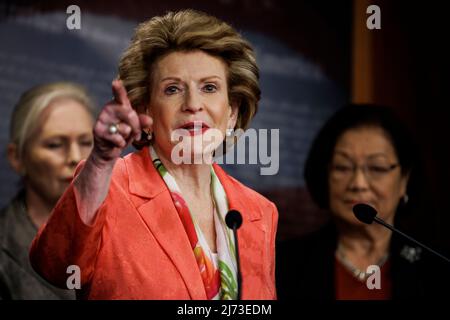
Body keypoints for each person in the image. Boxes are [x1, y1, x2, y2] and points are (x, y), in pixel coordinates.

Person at [29, 9, 278, 300]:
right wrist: (99, 162)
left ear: (232, 112)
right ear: (146, 108)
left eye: (209, 87)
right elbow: (57, 267)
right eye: (173, 89)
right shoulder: (107, 186)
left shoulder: (260, 212)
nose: (193, 104)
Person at [276, 104, 449, 299]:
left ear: (404, 180)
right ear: (325, 175)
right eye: (342, 167)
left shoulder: (435, 268)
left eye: (377, 167)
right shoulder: (283, 264)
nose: (358, 184)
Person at [0, 82, 95, 299]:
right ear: (17, 157)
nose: (75, 157)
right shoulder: (5, 249)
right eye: (54, 144)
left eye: (86, 142)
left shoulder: (127, 230)